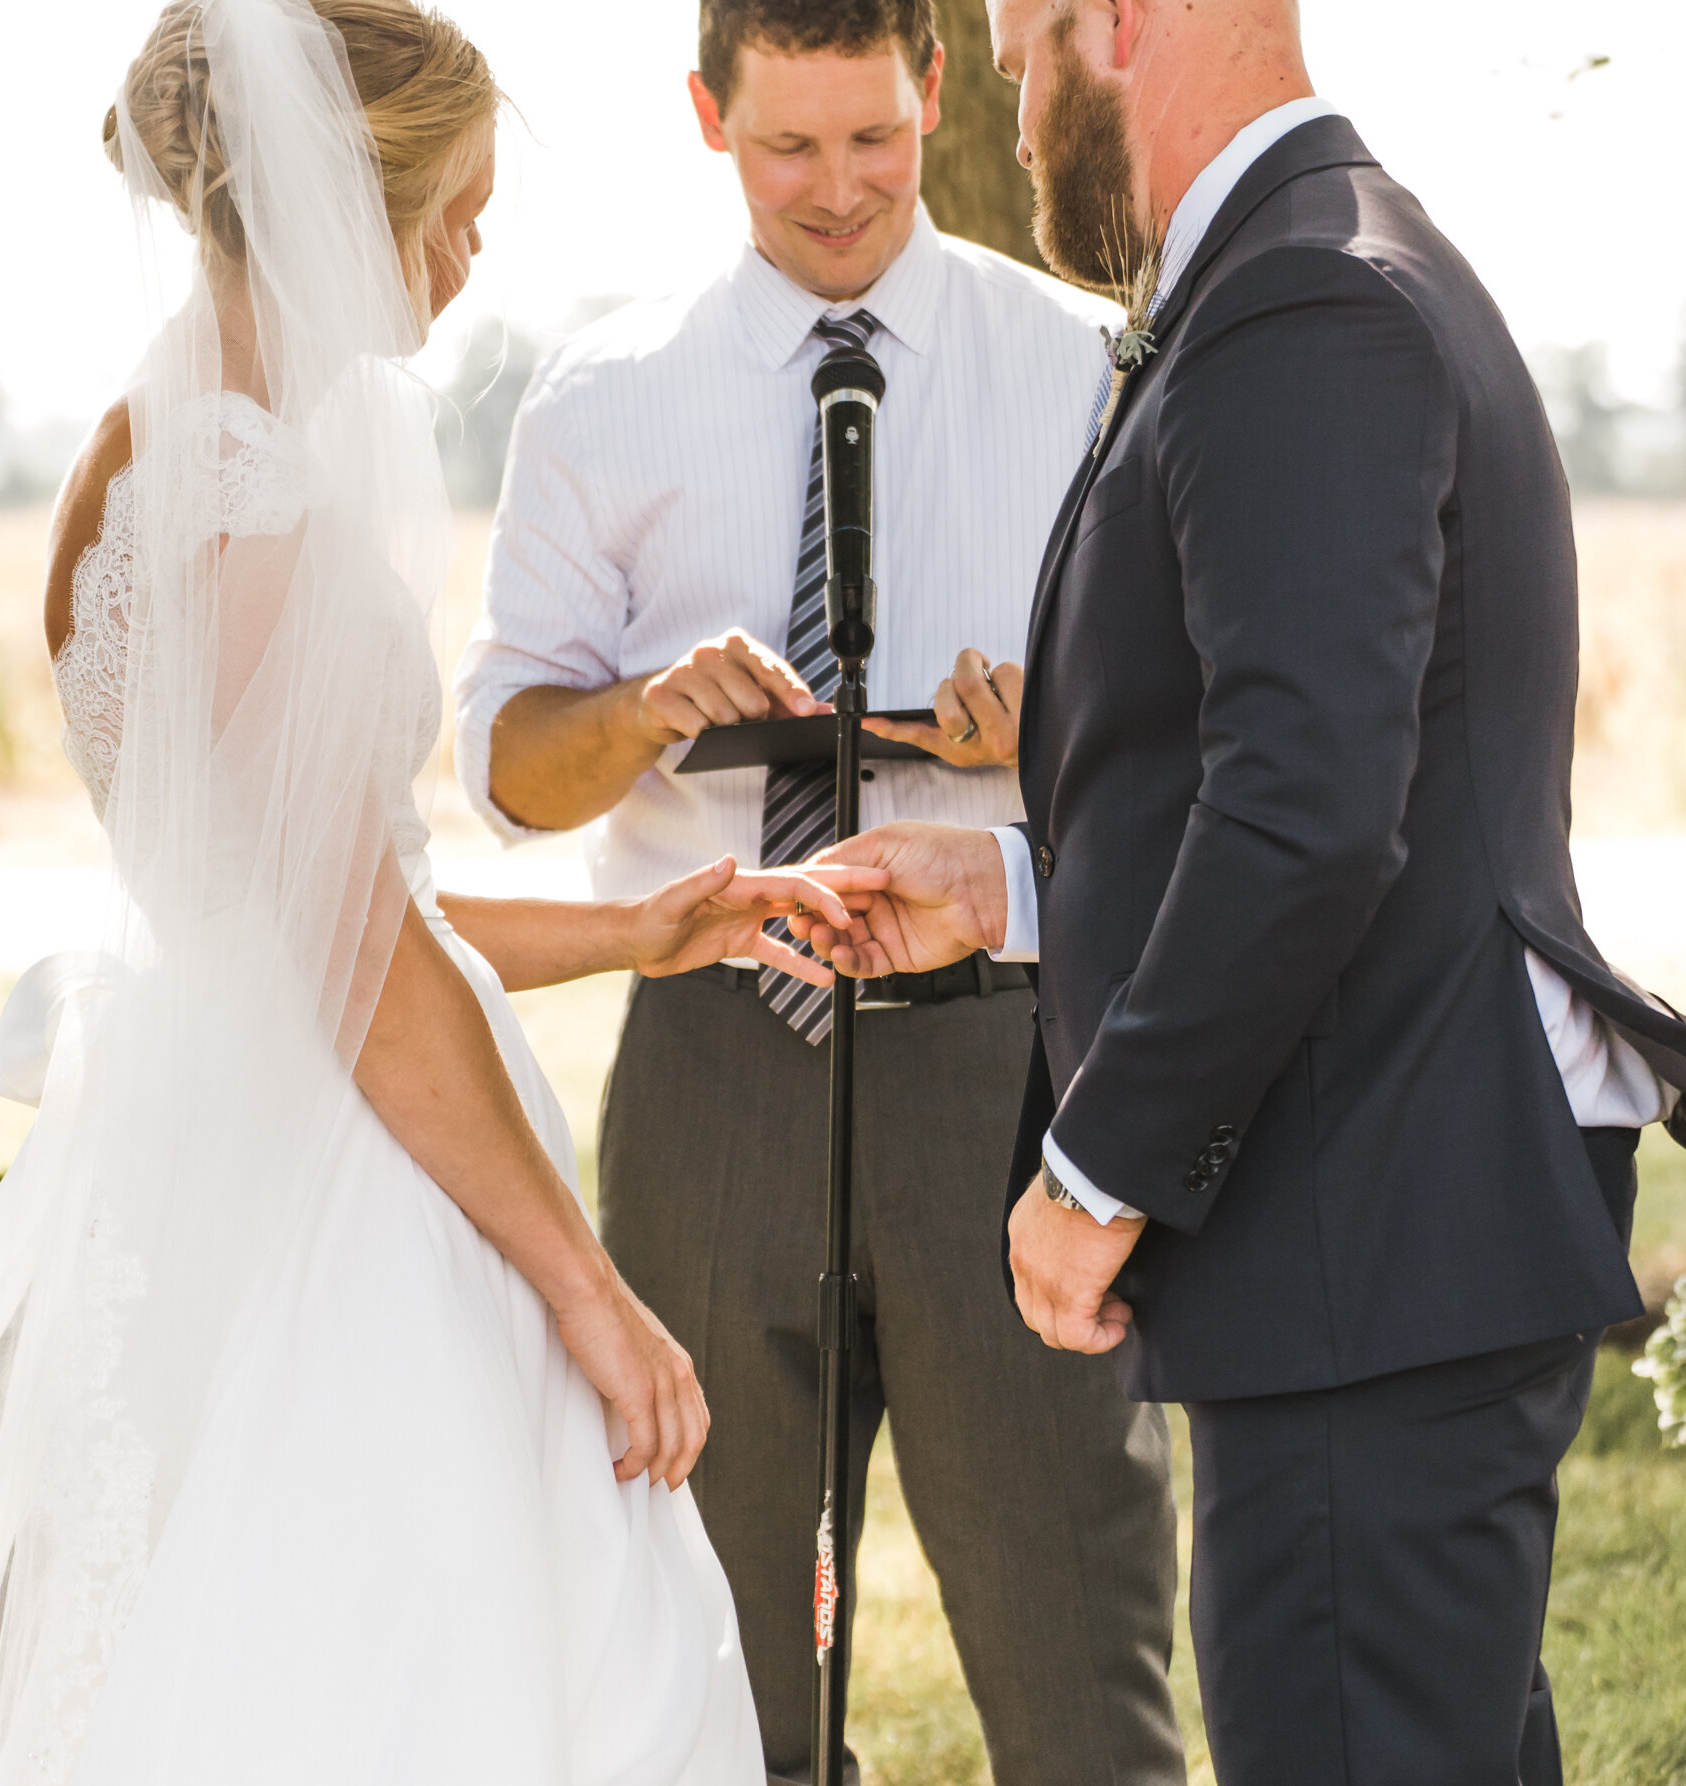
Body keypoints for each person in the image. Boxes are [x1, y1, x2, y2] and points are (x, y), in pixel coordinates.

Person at [0, 4, 882, 1781]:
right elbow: (354, 957)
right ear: (362, 205)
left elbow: (329, 903)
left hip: (274, 1135)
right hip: (350, 1202)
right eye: (459, 211)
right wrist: (586, 1284)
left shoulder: (153, 454)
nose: (477, 251)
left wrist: (636, 927)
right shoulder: (240, 501)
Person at [790, 1, 1686, 1782]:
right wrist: (1013, 886)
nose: (1005, 83)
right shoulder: (1316, 269)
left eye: (1021, 44)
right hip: (1382, 1235)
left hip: (1362, 1244)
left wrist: (1094, 1166)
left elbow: (1308, 813)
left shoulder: (1307, 302)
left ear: (1121, 19)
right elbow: (1331, 784)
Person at [450, 6, 1189, 1785]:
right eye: (790, 148)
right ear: (707, 115)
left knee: (1076, 1653)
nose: (841, 191)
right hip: (713, 1070)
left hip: (1009, 1063)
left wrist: (1058, 732)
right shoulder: (605, 400)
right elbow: (509, 775)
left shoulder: (1098, 368)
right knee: (711, 1663)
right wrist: (635, 712)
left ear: (934, 94)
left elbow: (1201, 756)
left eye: (874, 140)